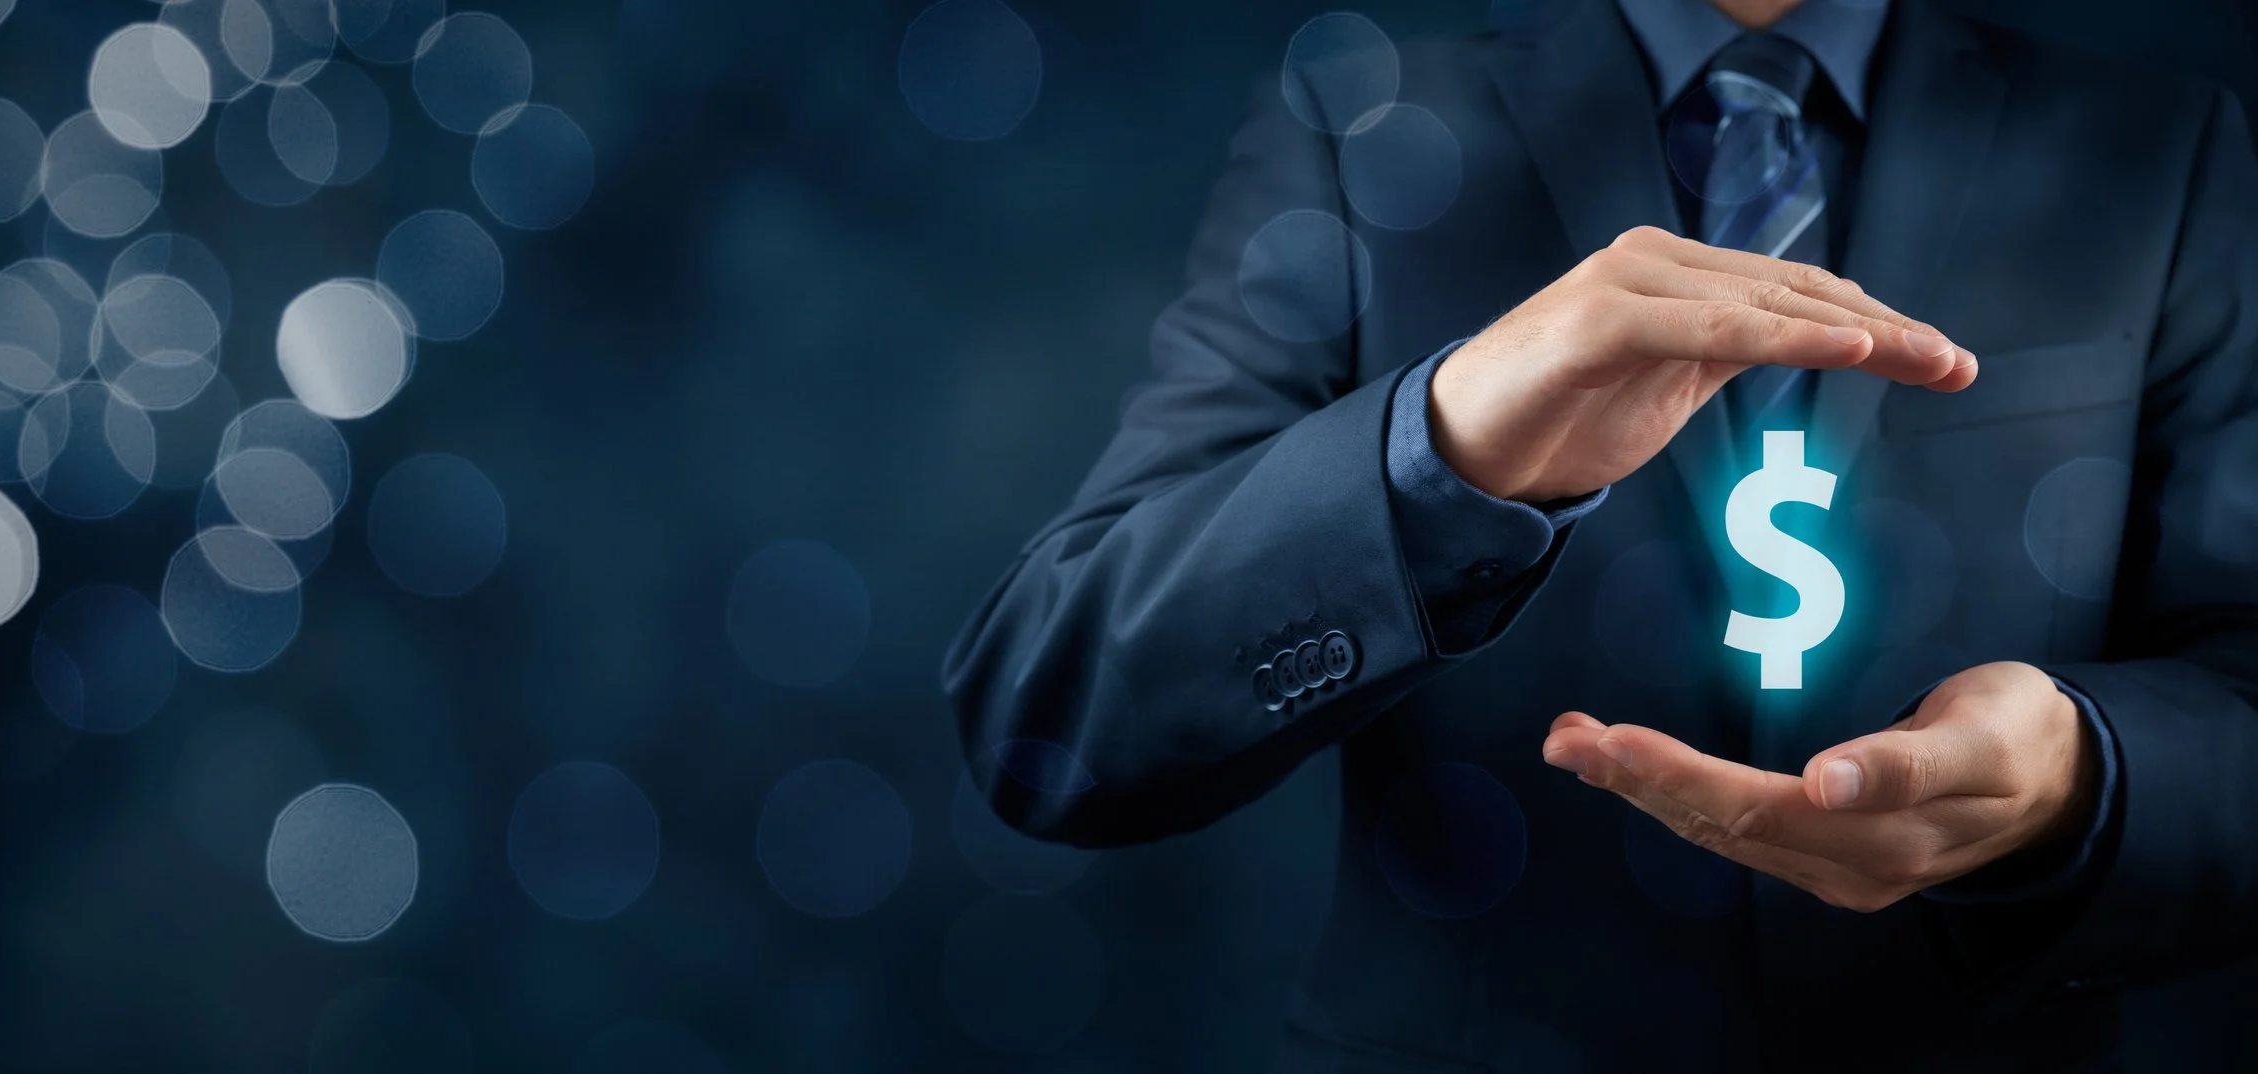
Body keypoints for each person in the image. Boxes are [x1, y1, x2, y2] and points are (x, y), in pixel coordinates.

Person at [942, 0, 2258, 1069]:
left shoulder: (2157, 144)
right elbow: (1049, 712)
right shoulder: (1364, 123)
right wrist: (1437, 448)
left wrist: (2084, 780)